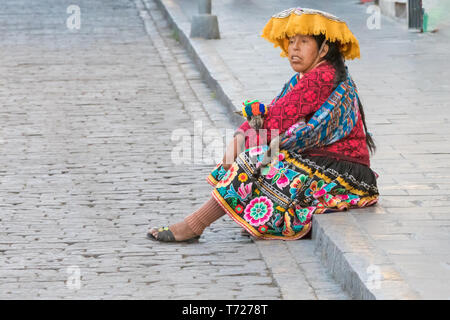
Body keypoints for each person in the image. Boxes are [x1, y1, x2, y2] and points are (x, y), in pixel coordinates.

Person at [147, 8, 379, 242]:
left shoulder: (322, 77)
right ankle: (233, 217)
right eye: (291, 41)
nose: (294, 48)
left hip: (344, 175)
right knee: (262, 157)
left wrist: (238, 141)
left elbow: (275, 123)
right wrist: (242, 137)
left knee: (256, 161)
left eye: (304, 42)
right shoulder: (310, 76)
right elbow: (275, 115)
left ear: (324, 50)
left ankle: (193, 225)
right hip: (328, 162)